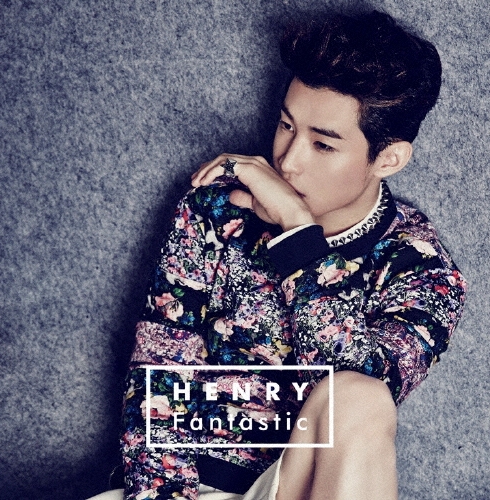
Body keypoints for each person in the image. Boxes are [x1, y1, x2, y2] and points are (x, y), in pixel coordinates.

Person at [120, 10, 466, 500]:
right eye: (286, 125)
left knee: (359, 397)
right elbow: (157, 371)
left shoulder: (423, 271)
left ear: (388, 159)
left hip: (302, 487)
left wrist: (298, 234)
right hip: (187, 490)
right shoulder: (218, 208)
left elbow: (351, 403)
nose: (287, 160)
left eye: (322, 145)